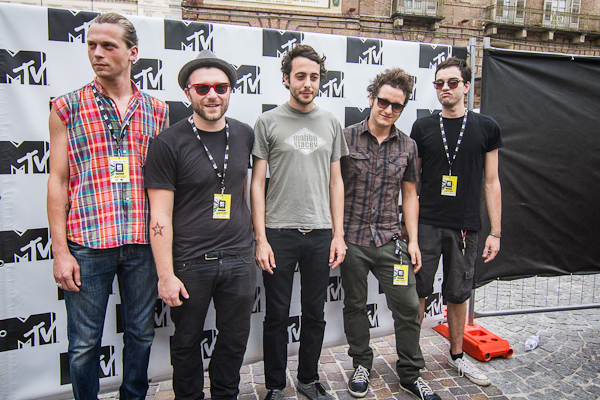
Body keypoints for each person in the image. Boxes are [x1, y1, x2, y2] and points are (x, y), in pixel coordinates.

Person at [47, 13, 168, 400]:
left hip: (142, 242)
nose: (97, 53)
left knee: (141, 334)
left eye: (108, 46)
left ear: (132, 52)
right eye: (92, 45)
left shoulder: (157, 110)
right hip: (86, 242)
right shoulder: (66, 107)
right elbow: (58, 181)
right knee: (83, 344)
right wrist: (60, 251)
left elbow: (163, 186)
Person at [144, 50, 256, 400]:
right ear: (188, 92)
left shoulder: (245, 134)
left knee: (235, 339)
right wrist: (166, 275)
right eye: (202, 88)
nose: (212, 95)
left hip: (239, 258)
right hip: (190, 262)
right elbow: (159, 215)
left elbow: (245, 190)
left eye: (221, 87)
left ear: (230, 91)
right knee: (186, 342)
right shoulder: (167, 143)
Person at [250, 44, 348, 400]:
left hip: (320, 233)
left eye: (314, 77)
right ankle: (275, 386)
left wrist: (338, 234)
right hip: (279, 232)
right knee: (276, 314)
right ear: (287, 79)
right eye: (301, 76)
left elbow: (336, 182)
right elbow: (256, 183)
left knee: (315, 313)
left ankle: (308, 380)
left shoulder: (331, 122)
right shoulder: (268, 122)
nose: (308, 83)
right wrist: (261, 238)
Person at [340, 69, 441, 400]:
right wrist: (336, 234)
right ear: (371, 98)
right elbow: (334, 187)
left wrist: (414, 241)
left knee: (409, 306)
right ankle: (361, 364)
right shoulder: (345, 138)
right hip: (352, 239)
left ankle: (411, 374)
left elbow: (410, 195)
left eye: (397, 106)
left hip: (390, 240)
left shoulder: (408, 146)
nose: (388, 109)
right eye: (383, 101)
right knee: (355, 305)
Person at [410, 57, 503, 387]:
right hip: (426, 223)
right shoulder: (422, 127)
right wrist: (407, 227)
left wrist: (496, 231)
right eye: (439, 83)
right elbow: (412, 181)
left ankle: (457, 355)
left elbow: (491, 181)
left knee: (458, 293)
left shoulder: (486, 127)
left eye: (452, 82)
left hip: (465, 225)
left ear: (466, 86)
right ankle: (411, 358)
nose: (445, 88)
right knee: (417, 290)